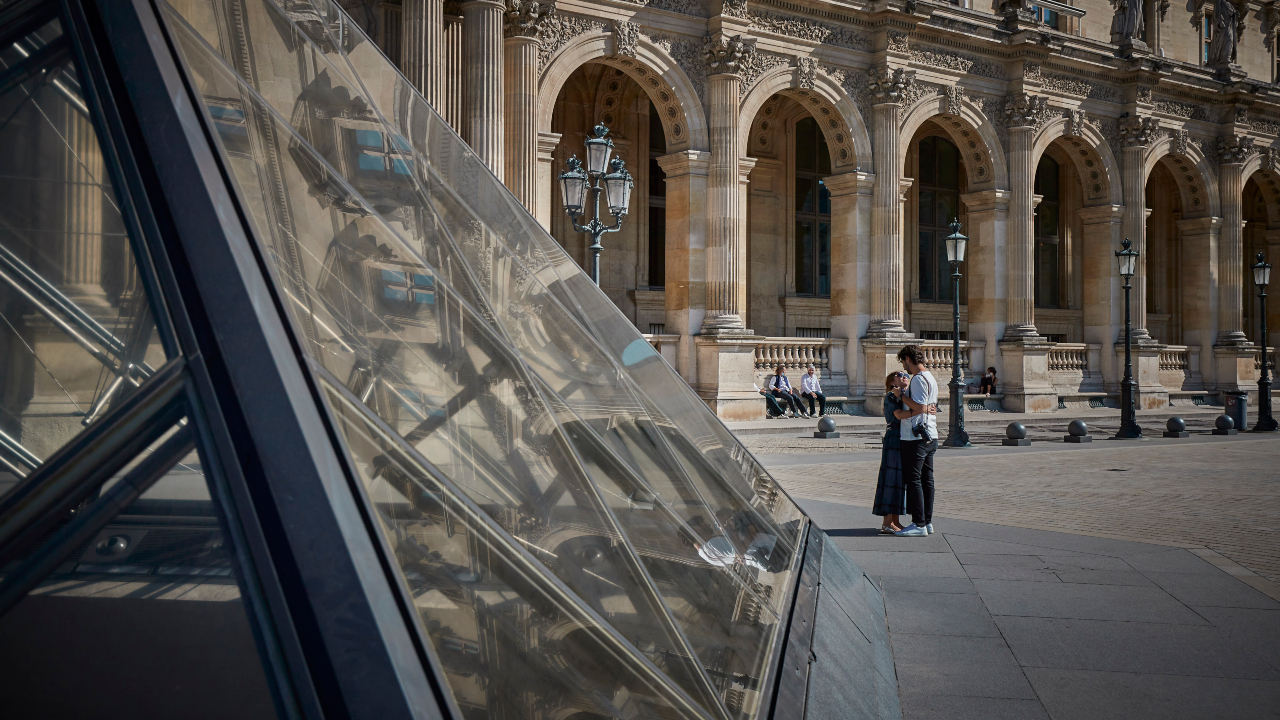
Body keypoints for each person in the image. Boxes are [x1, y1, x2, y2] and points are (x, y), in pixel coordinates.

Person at [895, 344, 939, 538]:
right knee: (927, 480)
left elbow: (920, 407)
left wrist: (901, 395)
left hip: (915, 437)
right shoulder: (930, 377)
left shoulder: (918, 379)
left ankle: (919, 523)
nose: (903, 367)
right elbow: (930, 406)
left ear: (908, 359)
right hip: (930, 434)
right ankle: (927, 522)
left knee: (914, 480)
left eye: (903, 362)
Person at [872, 372, 909, 533]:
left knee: (899, 480)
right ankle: (887, 522)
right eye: (899, 375)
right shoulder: (891, 396)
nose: (904, 376)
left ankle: (895, 520)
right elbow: (898, 415)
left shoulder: (903, 395)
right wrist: (921, 411)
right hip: (894, 438)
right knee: (891, 478)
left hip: (902, 437)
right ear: (892, 382)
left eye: (905, 374)